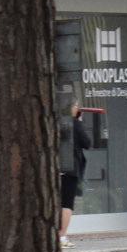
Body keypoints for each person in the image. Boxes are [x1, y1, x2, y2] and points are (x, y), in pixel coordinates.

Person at [57, 102, 94, 241]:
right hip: (70, 169)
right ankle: (61, 235)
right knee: (67, 203)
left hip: (56, 167)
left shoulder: (55, 122)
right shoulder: (74, 124)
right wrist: (79, 122)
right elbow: (87, 143)